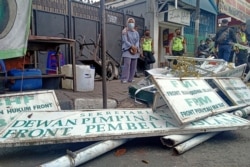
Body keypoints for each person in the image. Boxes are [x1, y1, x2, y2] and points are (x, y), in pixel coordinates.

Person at [120, 18, 140, 84]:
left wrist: (136, 46)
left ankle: (131, 78)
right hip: (127, 49)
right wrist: (131, 46)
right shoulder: (124, 31)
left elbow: (137, 40)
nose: (131, 23)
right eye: (129, 22)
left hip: (135, 50)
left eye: (132, 22)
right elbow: (125, 40)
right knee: (127, 64)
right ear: (127, 23)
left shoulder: (136, 32)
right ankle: (124, 78)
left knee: (133, 65)